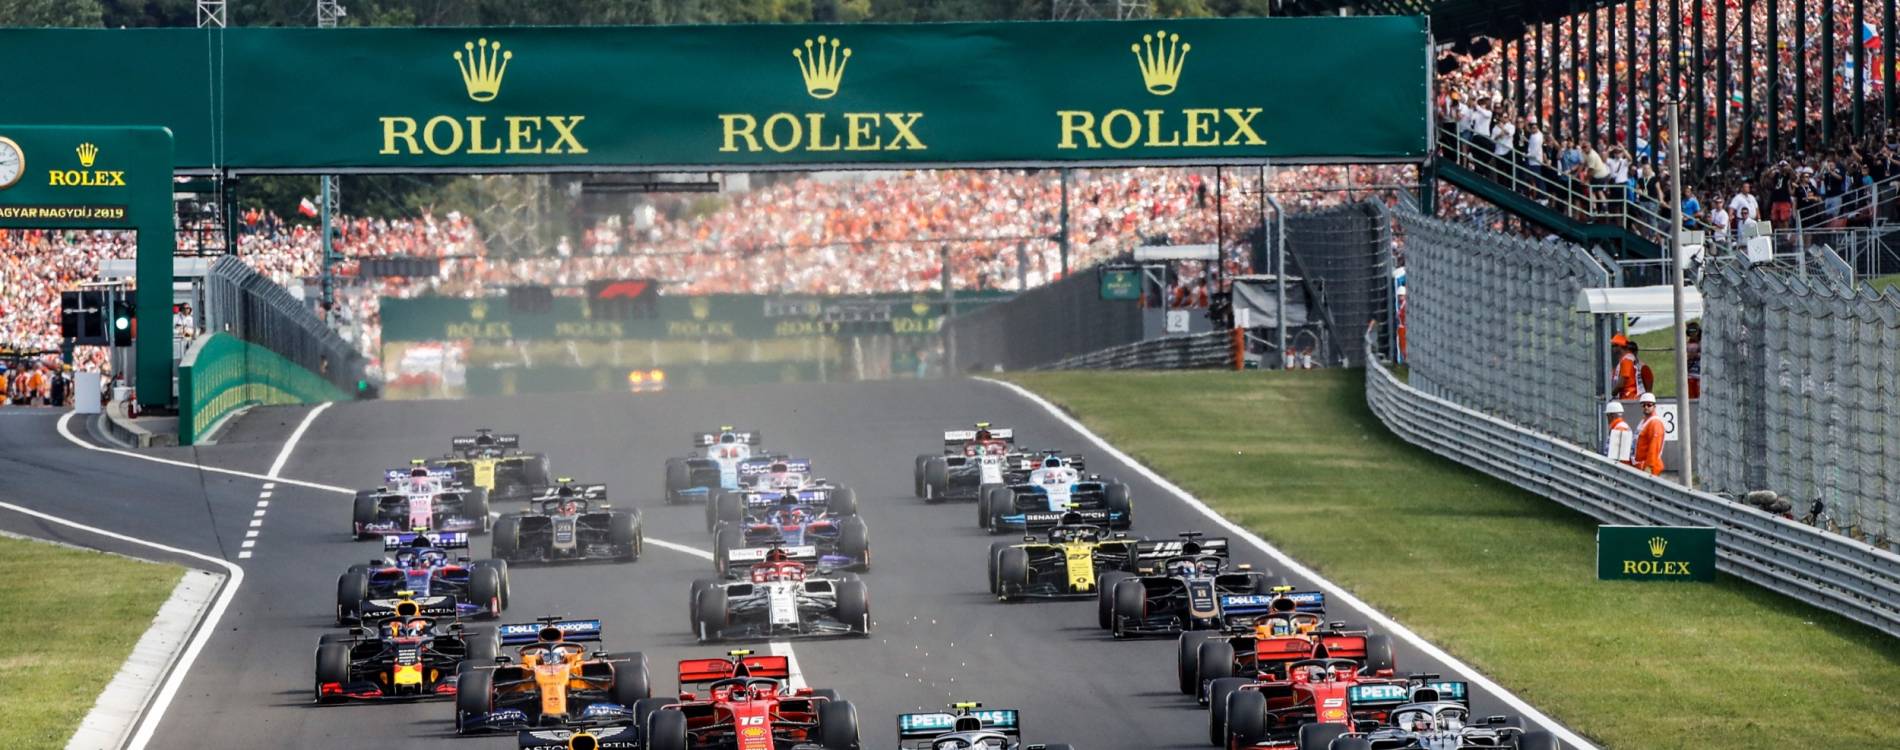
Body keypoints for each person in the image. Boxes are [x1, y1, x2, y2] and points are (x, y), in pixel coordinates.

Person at [1634, 392, 1667, 476]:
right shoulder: (1644, 421)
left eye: (1649, 405)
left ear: (1654, 406)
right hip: (1641, 465)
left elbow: (1654, 446)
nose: (1646, 407)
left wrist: (1649, 467)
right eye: (1643, 405)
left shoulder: (1655, 423)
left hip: (1650, 467)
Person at [1611, 334, 1641, 400]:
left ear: (1619, 346)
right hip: (1630, 397)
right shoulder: (1628, 359)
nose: (1612, 348)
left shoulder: (1627, 360)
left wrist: (1611, 394)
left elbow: (1621, 384)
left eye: (1614, 346)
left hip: (1629, 397)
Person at [1685, 321, 1702, 399]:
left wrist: (1695, 355)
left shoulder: (1701, 343)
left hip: (1699, 375)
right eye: (1690, 331)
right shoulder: (1687, 344)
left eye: (1694, 331)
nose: (1692, 334)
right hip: (1690, 374)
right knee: (1691, 397)